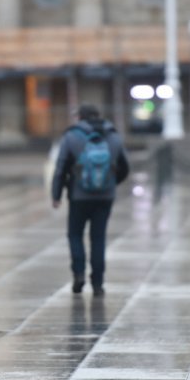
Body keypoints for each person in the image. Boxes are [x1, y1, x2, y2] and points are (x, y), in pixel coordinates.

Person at [51, 105, 129, 297]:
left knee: (75, 235)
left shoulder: (71, 137)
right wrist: (110, 184)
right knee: (98, 238)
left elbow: (61, 168)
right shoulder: (113, 136)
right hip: (105, 197)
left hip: (79, 196)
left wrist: (56, 195)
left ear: (80, 117)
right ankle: (98, 283)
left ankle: (78, 274)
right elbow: (125, 167)